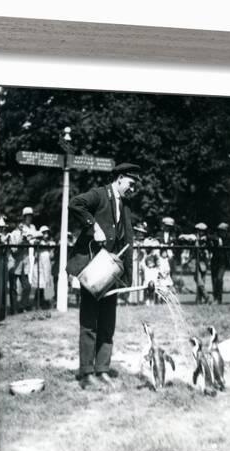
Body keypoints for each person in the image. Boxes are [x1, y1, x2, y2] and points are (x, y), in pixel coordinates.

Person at [67, 162, 141, 389]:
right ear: (119, 178)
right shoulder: (99, 195)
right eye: (130, 183)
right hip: (93, 270)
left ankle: (102, 369)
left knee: (108, 322)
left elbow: (125, 239)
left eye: (135, 185)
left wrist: (126, 276)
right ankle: (87, 372)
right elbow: (75, 203)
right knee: (89, 321)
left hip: (111, 273)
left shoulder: (125, 204)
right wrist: (93, 226)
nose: (132, 189)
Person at [9, 207, 37, 313]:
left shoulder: (30, 229)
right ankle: (14, 308)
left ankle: (22, 305)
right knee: (13, 288)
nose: (20, 225)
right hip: (14, 264)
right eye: (19, 223)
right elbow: (14, 250)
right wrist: (22, 241)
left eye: (30, 216)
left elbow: (32, 240)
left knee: (27, 287)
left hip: (24, 263)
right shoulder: (14, 234)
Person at [179, 222, 211, 304]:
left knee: (202, 282)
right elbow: (182, 237)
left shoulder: (207, 239)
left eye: (203, 231)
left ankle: (198, 300)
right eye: (199, 231)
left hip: (203, 262)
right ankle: (207, 297)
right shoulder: (193, 237)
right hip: (194, 262)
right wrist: (189, 238)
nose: (201, 232)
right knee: (199, 281)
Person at [31, 225, 55, 309]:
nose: (46, 235)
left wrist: (51, 249)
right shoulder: (38, 242)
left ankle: (46, 302)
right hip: (39, 265)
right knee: (39, 284)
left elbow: (51, 256)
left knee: (47, 283)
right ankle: (37, 303)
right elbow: (35, 254)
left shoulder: (50, 243)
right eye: (44, 233)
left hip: (46, 265)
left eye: (47, 233)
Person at [210, 222, 230, 304]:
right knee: (214, 280)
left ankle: (219, 298)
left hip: (223, 263)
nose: (221, 232)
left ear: (226, 231)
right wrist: (217, 239)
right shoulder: (215, 237)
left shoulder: (228, 239)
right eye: (220, 231)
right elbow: (209, 237)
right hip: (214, 262)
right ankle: (216, 298)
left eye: (223, 231)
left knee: (219, 279)